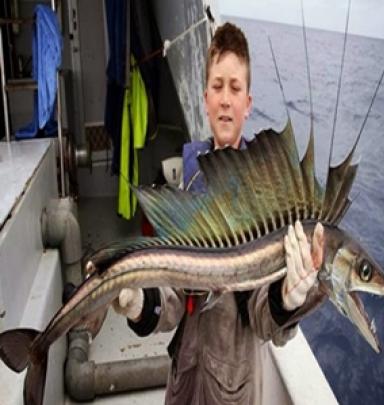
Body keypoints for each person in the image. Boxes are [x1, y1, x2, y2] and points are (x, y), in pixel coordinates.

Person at [113, 22, 324, 404]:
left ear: (248, 102)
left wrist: (286, 300)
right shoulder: (187, 185)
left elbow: (265, 321)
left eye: (235, 88)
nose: (225, 99)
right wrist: (138, 303)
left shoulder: (268, 197)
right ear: (205, 98)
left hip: (236, 390)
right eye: (217, 86)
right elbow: (172, 300)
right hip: (184, 381)